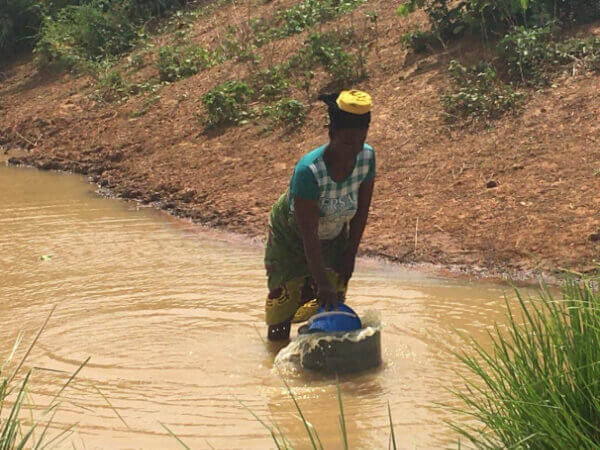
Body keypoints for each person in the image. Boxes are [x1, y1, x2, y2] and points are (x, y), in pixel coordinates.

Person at [264, 90, 376, 341]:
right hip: (292, 240)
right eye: (347, 143)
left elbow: (362, 212)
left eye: (360, 142)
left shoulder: (366, 158)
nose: (353, 152)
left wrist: (350, 254)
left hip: (335, 234)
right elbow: (308, 235)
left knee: (333, 299)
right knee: (283, 307)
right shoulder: (309, 171)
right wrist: (320, 282)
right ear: (331, 133)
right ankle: (278, 358)